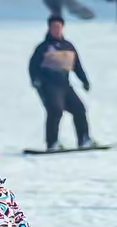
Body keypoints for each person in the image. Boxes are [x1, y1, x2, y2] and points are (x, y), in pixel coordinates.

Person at [29, 15, 94, 151]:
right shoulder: (43, 47)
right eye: (54, 27)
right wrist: (36, 80)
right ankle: (52, 143)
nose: (56, 30)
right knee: (55, 110)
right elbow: (33, 66)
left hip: (65, 84)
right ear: (49, 28)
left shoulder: (68, 46)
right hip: (48, 84)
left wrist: (84, 80)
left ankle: (84, 140)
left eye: (58, 27)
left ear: (62, 28)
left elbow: (77, 66)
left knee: (79, 109)